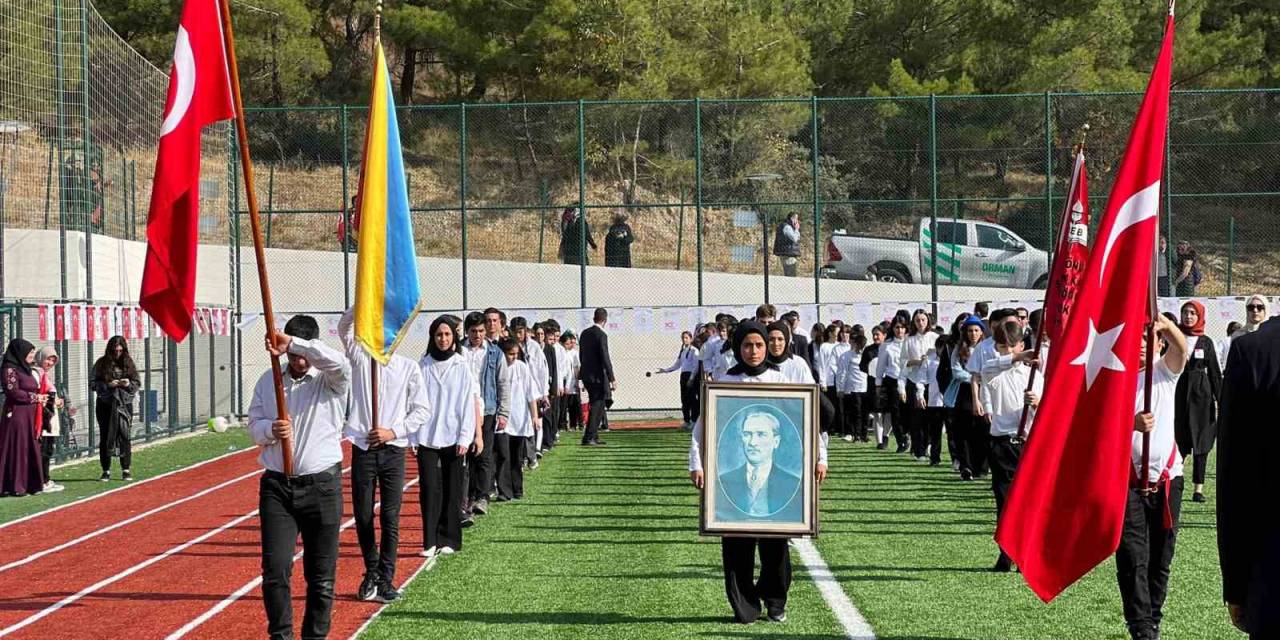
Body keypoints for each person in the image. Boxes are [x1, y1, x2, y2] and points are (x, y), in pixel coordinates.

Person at [689, 321, 828, 624]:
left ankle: (776, 601)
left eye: (759, 345)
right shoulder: (723, 382)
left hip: (778, 489)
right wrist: (696, 463)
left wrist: (821, 457)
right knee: (736, 548)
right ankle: (745, 607)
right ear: (738, 348)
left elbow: (808, 421)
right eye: (747, 345)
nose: (753, 351)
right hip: (731, 488)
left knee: (775, 548)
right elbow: (703, 428)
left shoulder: (782, 380)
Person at [248, 316, 350, 640]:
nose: (298, 361)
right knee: (275, 572)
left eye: (302, 353)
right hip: (278, 487)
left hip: (322, 486)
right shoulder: (269, 381)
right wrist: (269, 430)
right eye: (292, 356)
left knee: (320, 579)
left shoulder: (331, 378)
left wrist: (292, 343)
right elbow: (254, 424)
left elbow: (339, 362)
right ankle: (281, 636)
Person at [335, 308, 428, 602]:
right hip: (364, 449)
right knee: (363, 515)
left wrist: (393, 431)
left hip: (393, 451)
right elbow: (344, 328)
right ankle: (371, 570)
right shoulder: (362, 361)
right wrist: (362, 301)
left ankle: (387, 578)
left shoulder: (408, 367)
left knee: (390, 517)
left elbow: (422, 410)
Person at [1119, 312, 1188, 640]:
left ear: (1159, 343)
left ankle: (1153, 618)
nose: (1144, 346)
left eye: (1150, 339)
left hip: (1167, 479)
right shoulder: (1115, 380)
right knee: (1133, 556)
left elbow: (1182, 350)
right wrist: (1129, 424)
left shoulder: (1165, 372)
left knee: (1161, 557)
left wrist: (1164, 324)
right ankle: (1141, 627)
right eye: (1138, 340)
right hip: (1127, 483)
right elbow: (1096, 426)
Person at [1217, 306, 1280, 639]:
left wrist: (1236, 584)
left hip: (1270, 571)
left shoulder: (1252, 351)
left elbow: (1234, 479)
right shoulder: (1249, 350)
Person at [416, 315, 479, 560]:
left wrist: (466, 436)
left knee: (453, 489)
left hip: (454, 435)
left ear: (454, 338)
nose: (443, 339)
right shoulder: (423, 365)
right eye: (439, 335)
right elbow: (414, 402)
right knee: (429, 488)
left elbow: (467, 403)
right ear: (433, 337)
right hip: (427, 436)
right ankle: (430, 540)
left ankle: (449, 538)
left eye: (447, 335)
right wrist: (414, 436)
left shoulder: (461, 366)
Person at [980, 318, 1041, 572]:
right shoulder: (993, 369)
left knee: (1028, 502)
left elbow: (1046, 414)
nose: (1005, 350)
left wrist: (1036, 402)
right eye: (1001, 346)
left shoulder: (1034, 376)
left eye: (1011, 345)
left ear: (1021, 343)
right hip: (1003, 443)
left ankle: (1025, 553)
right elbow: (990, 367)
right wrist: (1016, 357)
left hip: (1026, 443)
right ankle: (1006, 553)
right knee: (1005, 501)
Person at [466, 309, 511, 522]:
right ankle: (466, 497)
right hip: (463, 410)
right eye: (473, 331)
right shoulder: (459, 352)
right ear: (467, 332)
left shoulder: (495, 353)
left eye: (481, 331)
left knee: (484, 455)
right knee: (465, 456)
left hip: (488, 410)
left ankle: (481, 496)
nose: (477, 335)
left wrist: (503, 412)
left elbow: (503, 383)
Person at [1173, 301, 1221, 503]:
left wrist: (1221, 400)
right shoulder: (1174, 338)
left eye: (1193, 313)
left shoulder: (1206, 342)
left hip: (1201, 399)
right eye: (1185, 312)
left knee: (1202, 443)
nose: (1189, 316)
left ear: (1200, 316)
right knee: (1179, 440)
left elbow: (1216, 374)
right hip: (1179, 395)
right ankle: (1176, 481)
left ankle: (1198, 489)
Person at [495, 338, 538, 501]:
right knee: (503, 455)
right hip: (503, 419)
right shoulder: (498, 367)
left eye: (516, 354)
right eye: (510, 354)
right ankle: (504, 491)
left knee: (517, 456)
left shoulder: (522, 368)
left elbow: (530, 393)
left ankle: (517, 488)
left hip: (520, 419)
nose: (513, 357)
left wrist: (534, 416)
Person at [91, 336, 139, 482]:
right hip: (106, 404)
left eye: (120, 349)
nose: (117, 352)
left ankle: (126, 469)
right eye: (115, 349)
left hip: (124, 404)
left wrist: (127, 384)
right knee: (106, 435)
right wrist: (107, 385)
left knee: (125, 435)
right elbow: (93, 383)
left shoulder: (129, 363)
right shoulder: (101, 363)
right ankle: (105, 470)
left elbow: (136, 383)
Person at [1, 339, 45, 496]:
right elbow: (13, 392)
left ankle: (30, 483)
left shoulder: (26, 369)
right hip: (17, 416)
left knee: (29, 447)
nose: (32, 355)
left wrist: (40, 398)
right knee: (18, 447)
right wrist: (35, 398)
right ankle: (15, 485)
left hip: (29, 415)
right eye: (30, 352)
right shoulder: (9, 369)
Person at [945, 315, 986, 480]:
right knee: (963, 430)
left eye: (976, 330)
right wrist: (974, 378)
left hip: (983, 391)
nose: (973, 334)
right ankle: (966, 466)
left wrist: (980, 379)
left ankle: (980, 466)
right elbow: (956, 371)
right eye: (970, 331)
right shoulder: (959, 349)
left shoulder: (986, 348)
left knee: (982, 429)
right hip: (964, 393)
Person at [903, 309, 937, 462]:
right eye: (917, 320)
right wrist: (917, 361)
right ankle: (919, 451)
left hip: (932, 381)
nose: (921, 323)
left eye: (923, 320)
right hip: (914, 379)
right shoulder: (909, 340)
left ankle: (930, 445)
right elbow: (903, 362)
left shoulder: (935, 337)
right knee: (917, 418)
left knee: (932, 417)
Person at [578, 308, 616, 446]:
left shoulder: (584, 333)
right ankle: (588, 437)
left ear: (594, 318)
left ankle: (594, 435)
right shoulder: (601, 335)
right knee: (597, 404)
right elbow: (605, 357)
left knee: (598, 404)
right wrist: (612, 378)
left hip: (587, 374)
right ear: (605, 320)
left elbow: (581, 354)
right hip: (598, 376)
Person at [655, 331, 701, 428]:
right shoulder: (683, 351)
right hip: (683, 376)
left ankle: (694, 421)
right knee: (684, 399)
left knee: (692, 399)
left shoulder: (694, 350)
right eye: (683, 338)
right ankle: (686, 420)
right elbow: (677, 365)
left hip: (690, 376)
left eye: (686, 338)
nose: (684, 340)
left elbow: (695, 366)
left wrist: (692, 378)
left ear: (691, 339)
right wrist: (666, 370)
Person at [875, 319, 909, 453]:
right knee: (895, 413)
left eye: (902, 327)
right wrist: (878, 385)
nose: (899, 330)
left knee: (908, 411)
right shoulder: (887, 346)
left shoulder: (909, 342)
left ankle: (908, 435)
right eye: (897, 327)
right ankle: (901, 440)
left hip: (909, 380)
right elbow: (880, 367)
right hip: (893, 381)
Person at [35, 346, 65, 492]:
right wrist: (54, 400)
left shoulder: (45, 374)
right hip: (43, 417)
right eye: (48, 359)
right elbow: (43, 394)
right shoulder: (37, 373)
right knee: (44, 449)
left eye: (53, 360)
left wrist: (58, 400)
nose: (50, 363)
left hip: (50, 415)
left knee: (47, 449)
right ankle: (42, 480)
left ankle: (45, 478)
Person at [835, 331, 867, 442]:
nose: (861, 349)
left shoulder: (866, 355)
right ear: (855, 344)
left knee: (864, 412)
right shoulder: (846, 356)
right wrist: (840, 388)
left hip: (865, 387)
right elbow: (842, 372)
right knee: (854, 412)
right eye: (859, 346)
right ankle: (853, 433)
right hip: (852, 388)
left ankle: (863, 434)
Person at [1221, 295, 1269, 367]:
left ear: (1266, 310)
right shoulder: (1238, 335)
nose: (1255, 311)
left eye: (1259, 307)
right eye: (1251, 307)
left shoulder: (1272, 334)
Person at [860, 324, 885, 446]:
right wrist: (870, 368)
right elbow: (862, 366)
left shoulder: (888, 348)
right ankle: (879, 441)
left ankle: (885, 436)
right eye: (873, 335)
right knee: (877, 413)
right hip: (873, 385)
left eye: (878, 334)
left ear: (884, 335)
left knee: (889, 414)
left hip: (888, 383)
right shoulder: (868, 350)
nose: (875, 337)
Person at [560, 331, 583, 432]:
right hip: (565, 381)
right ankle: (563, 424)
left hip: (572, 381)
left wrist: (578, 381)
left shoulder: (574, 353)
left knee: (575, 404)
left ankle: (577, 423)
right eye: (568, 343)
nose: (571, 345)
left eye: (572, 342)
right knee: (565, 404)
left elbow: (576, 368)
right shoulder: (562, 352)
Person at [773, 212, 801, 277]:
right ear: (792, 218)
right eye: (796, 219)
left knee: (788, 276)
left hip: (786, 252)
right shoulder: (787, 227)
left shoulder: (786, 226)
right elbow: (795, 238)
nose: (797, 221)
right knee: (791, 276)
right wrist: (796, 229)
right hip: (788, 254)